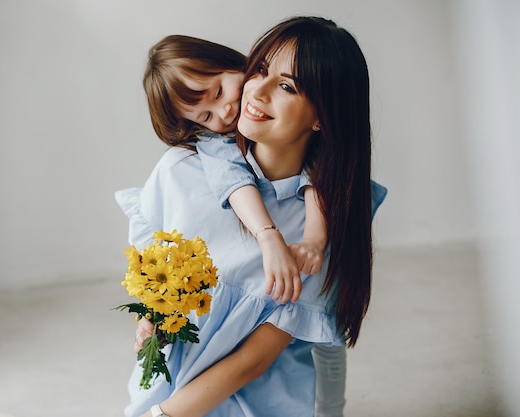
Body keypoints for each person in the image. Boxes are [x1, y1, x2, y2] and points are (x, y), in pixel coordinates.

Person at [116, 16, 387, 417]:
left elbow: (255, 359)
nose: (253, 91)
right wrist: (150, 317)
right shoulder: (181, 171)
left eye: (287, 86)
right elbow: (151, 263)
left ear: (322, 116)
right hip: (173, 379)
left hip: (253, 400)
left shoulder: (323, 225)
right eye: (260, 69)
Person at [143, 34, 328, 305]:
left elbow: (320, 170)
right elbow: (233, 180)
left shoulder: (281, 106)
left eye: (218, 93)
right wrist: (268, 237)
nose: (225, 112)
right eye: (207, 117)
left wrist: (314, 239)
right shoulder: (216, 140)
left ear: (230, 62)